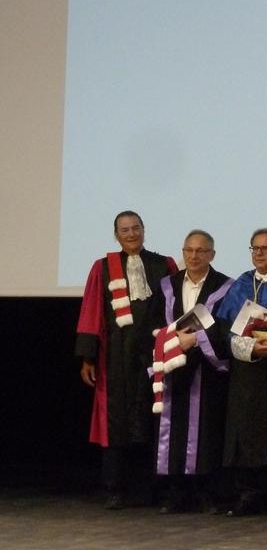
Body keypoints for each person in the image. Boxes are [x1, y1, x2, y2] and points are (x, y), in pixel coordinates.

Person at [75, 210, 177, 509]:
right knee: (115, 423)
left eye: (136, 228)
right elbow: (92, 311)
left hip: (155, 353)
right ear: (116, 235)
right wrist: (87, 357)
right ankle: (115, 489)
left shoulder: (164, 264)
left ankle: (156, 489)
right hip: (115, 356)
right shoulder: (103, 267)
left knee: (155, 420)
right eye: (124, 230)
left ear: (144, 230)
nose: (131, 234)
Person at [147, 229, 234, 514]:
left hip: (207, 370)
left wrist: (195, 343)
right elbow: (154, 324)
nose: (194, 256)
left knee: (206, 431)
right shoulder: (166, 286)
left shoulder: (225, 287)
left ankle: (205, 492)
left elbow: (225, 326)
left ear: (212, 254)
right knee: (170, 431)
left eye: (201, 251)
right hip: (173, 369)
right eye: (189, 250)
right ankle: (175, 492)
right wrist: (171, 346)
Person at [216, 228, 267, 518]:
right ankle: (247, 493)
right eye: (255, 248)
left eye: (266, 248)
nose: (259, 253)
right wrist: (249, 347)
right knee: (245, 432)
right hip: (246, 370)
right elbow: (226, 326)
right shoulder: (240, 284)